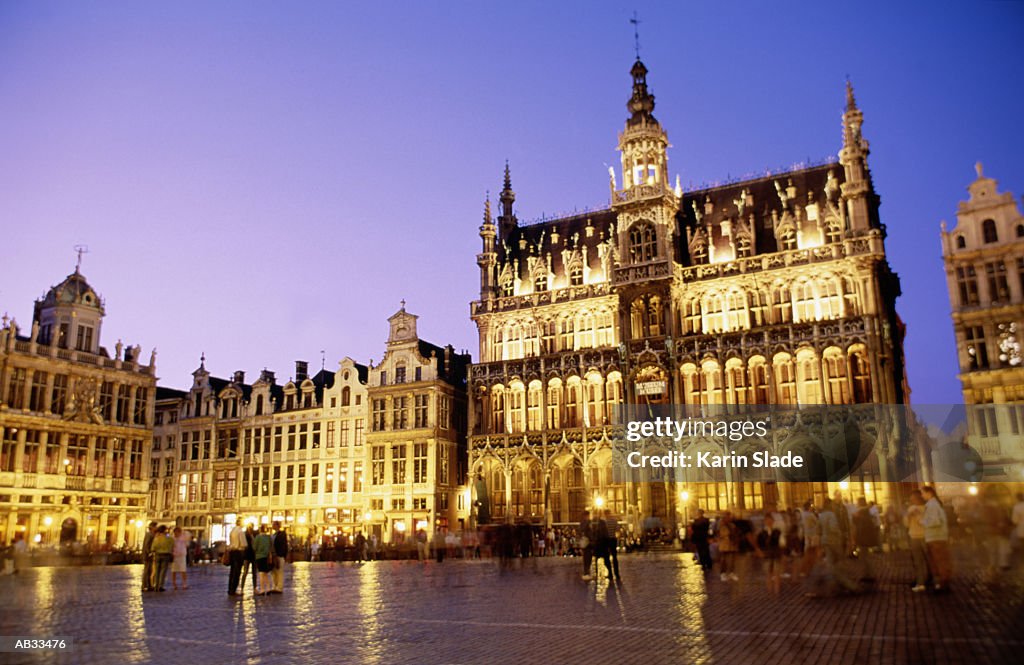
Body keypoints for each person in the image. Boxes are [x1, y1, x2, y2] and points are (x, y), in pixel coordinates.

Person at [921, 485, 951, 592]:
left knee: (939, 561)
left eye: (923, 493)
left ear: (929, 493)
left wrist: (922, 522)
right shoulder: (933, 504)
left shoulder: (932, 505)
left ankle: (942, 584)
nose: (922, 496)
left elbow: (935, 521)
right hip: (936, 537)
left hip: (935, 537)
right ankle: (942, 583)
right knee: (939, 561)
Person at [905, 490, 929, 592]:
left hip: (922, 536)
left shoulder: (927, 508)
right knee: (920, 560)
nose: (912, 500)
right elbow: (906, 523)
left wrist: (916, 516)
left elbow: (927, 522)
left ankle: (925, 581)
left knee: (925, 561)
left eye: (913, 498)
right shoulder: (912, 509)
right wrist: (909, 516)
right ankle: (922, 581)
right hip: (916, 536)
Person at [852, 497, 879, 582]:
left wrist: (855, 518)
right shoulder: (866, 512)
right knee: (865, 557)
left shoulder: (861, 512)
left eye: (858, 502)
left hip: (863, 538)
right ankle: (868, 574)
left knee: (864, 557)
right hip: (865, 538)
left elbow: (860, 526)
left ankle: (868, 575)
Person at [758, 513, 783, 594]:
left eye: (770, 520)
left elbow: (779, 542)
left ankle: (776, 590)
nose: (769, 522)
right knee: (768, 573)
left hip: (776, 554)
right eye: (767, 520)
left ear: (773, 521)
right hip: (767, 554)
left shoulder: (777, 531)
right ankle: (769, 590)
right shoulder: (762, 533)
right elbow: (760, 544)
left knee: (776, 573)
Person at [227, 519, 247, 597]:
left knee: (232, 572)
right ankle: (233, 590)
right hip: (238, 552)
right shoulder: (240, 531)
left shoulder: (232, 531)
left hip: (232, 552)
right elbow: (244, 544)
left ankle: (230, 589)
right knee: (237, 572)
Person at [151, 525, 174, 592]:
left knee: (157, 570)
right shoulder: (168, 538)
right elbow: (172, 544)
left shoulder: (156, 538)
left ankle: (156, 585)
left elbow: (153, 547)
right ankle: (161, 585)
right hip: (166, 555)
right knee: (163, 571)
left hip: (157, 554)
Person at [253, 525, 273, 595]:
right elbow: (271, 546)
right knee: (266, 573)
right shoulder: (268, 537)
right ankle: (268, 588)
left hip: (259, 556)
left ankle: (262, 589)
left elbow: (254, 547)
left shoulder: (258, 538)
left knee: (261, 573)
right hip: (266, 556)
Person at [270, 521, 288, 594]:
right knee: (273, 572)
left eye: (274, 524)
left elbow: (284, 545)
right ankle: (274, 585)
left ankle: (279, 587)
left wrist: (282, 554)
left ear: (277, 525)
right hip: (273, 555)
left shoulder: (281, 534)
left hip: (279, 555)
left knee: (279, 571)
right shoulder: (272, 535)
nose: (272, 526)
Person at [603, 510, 621, 580]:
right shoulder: (614, 521)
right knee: (614, 557)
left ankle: (610, 573)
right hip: (613, 540)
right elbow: (617, 530)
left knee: (606, 558)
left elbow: (603, 532)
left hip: (606, 540)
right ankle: (617, 574)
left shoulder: (604, 522)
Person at [240, 525, 257, 594]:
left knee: (254, 573)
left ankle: (255, 587)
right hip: (247, 556)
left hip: (253, 556)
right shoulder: (245, 535)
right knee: (245, 572)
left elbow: (255, 544)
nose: (251, 529)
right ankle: (242, 587)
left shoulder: (254, 534)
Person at [141, 521, 157, 591]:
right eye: (155, 526)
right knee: (147, 570)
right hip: (148, 556)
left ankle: (149, 585)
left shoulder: (151, 534)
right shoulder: (149, 534)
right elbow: (147, 545)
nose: (156, 528)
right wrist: (149, 552)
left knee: (150, 571)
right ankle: (145, 586)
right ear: (152, 527)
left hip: (149, 555)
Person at [579, 510, 594, 580]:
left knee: (585, 558)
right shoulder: (589, 522)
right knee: (588, 558)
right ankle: (586, 573)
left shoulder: (581, 523)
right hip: (588, 542)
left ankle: (586, 572)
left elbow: (580, 531)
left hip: (584, 542)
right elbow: (591, 532)